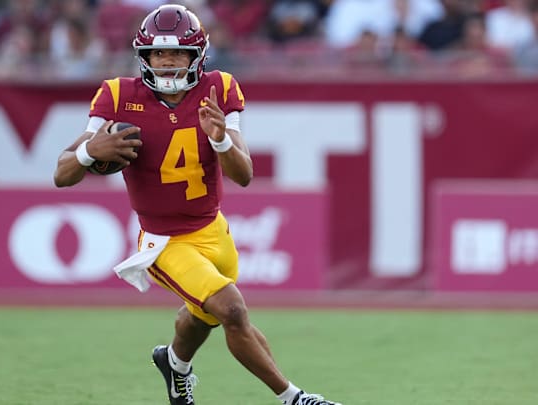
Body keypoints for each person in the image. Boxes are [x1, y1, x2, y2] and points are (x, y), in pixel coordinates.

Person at [52, 4, 343, 405]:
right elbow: (61, 172)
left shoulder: (219, 88)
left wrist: (221, 139)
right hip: (164, 240)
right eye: (158, 53)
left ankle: (174, 362)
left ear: (198, 56)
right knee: (232, 311)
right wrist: (89, 152)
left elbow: (243, 174)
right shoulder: (117, 95)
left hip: (213, 229)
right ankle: (294, 398)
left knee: (203, 314)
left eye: (178, 54)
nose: (167, 62)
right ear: (144, 56)